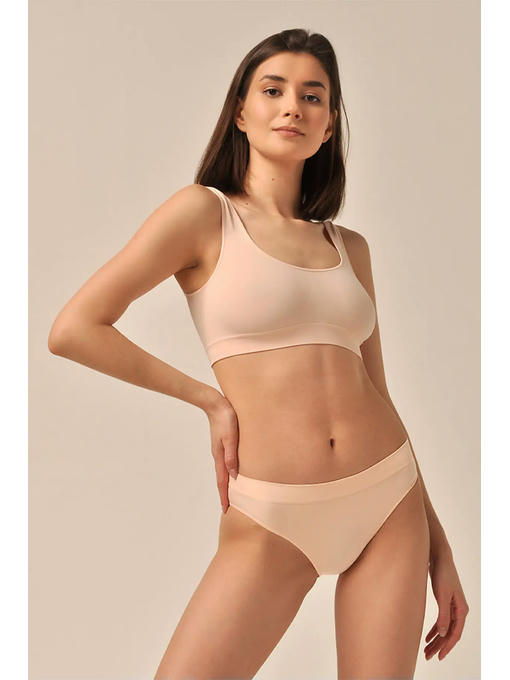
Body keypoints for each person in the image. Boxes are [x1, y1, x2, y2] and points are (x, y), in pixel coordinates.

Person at [48, 28, 469, 680]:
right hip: (273, 513)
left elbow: (380, 392)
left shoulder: (349, 247)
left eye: (313, 96)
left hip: (390, 498)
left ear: (329, 125)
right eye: (273, 90)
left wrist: (439, 545)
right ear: (241, 112)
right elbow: (75, 328)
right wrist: (209, 401)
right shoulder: (203, 215)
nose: (293, 106)